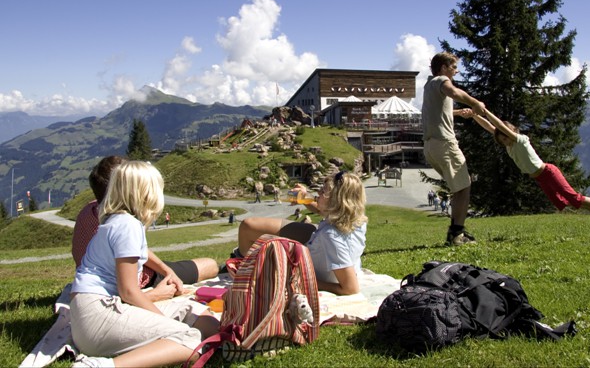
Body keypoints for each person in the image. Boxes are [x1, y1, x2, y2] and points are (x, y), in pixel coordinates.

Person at [69, 161, 219, 368]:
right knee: (192, 341)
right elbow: (129, 292)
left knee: (202, 318)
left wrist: (168, 272)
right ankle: (103, 366)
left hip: (89, 315)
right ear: (146, 193)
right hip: (98, 316)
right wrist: (165, 323)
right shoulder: (127, 226)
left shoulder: (119, 221)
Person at [72, 156, 219, 299]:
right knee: (210, 265)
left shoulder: (89, 211)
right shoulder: (125, 223)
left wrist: (166, 269)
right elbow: (128, 292)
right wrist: (155, 293)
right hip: (133, 280)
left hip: (89, 281)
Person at [473, 109, 590, 226]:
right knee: (563, 202)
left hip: (548, 173)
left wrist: (485, 111)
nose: (505, 141)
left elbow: (499, 125)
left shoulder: (520, 140)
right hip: (540, 178)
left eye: (505, 137)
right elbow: (491, 128)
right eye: (502, 140)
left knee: (574, 197)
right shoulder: (510, 146)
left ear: (512, 131)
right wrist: (474, 115)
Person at [235, 172, 367, 295]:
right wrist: (304, 198)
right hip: (317, 242)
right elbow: (325, 211)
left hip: (313, 258)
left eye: (322, 191)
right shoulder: (354, 219)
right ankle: (241, 260)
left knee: (248, 226)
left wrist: (303, 281)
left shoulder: (332, 237)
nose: (317, 193)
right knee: (250, 226)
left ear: (334, 201)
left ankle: (241, 268)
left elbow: (351, 288)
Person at [421, 52, 486, 245]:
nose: (456, 71)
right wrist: (475, 102)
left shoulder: (429, 85)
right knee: (464, 186)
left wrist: (459, 113)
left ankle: (456, 231)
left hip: (430, 146)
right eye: (453, 67)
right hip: (445, 143)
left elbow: (439, 112)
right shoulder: (442, 81)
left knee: (458, 187)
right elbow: (455, 92)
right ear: (443, 68)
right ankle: (457, 234)